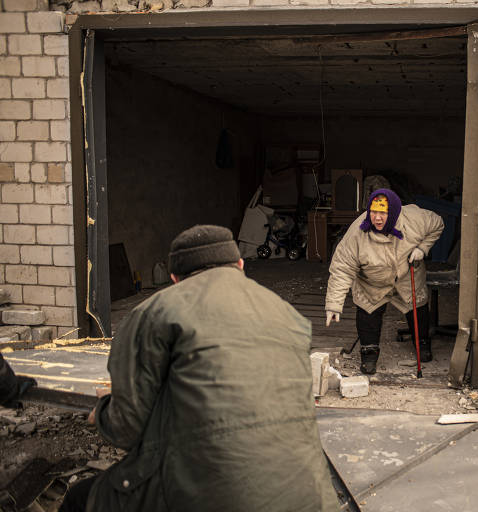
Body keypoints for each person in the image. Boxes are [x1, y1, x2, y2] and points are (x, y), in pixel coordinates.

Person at [59, 225, 337, 512]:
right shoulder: (289, 315)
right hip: (311, 497)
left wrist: (104, 411)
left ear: (175, 279)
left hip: (214, 497)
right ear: (240, 265)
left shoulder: (155, 312)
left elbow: (126, 429)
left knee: (81, 498)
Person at [325, 189, 444, 375]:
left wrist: (423, 248)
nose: (377, 218)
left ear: (394, 212)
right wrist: (334, 304)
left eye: (383, 213)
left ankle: (422, 344)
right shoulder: (357, 233)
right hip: (371, 282)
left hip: (407, 276)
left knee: (418, 308)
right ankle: (369, 354)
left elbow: (438, 223)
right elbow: (342, 268)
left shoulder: (415, 219)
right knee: (368, 313)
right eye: (373, 212)